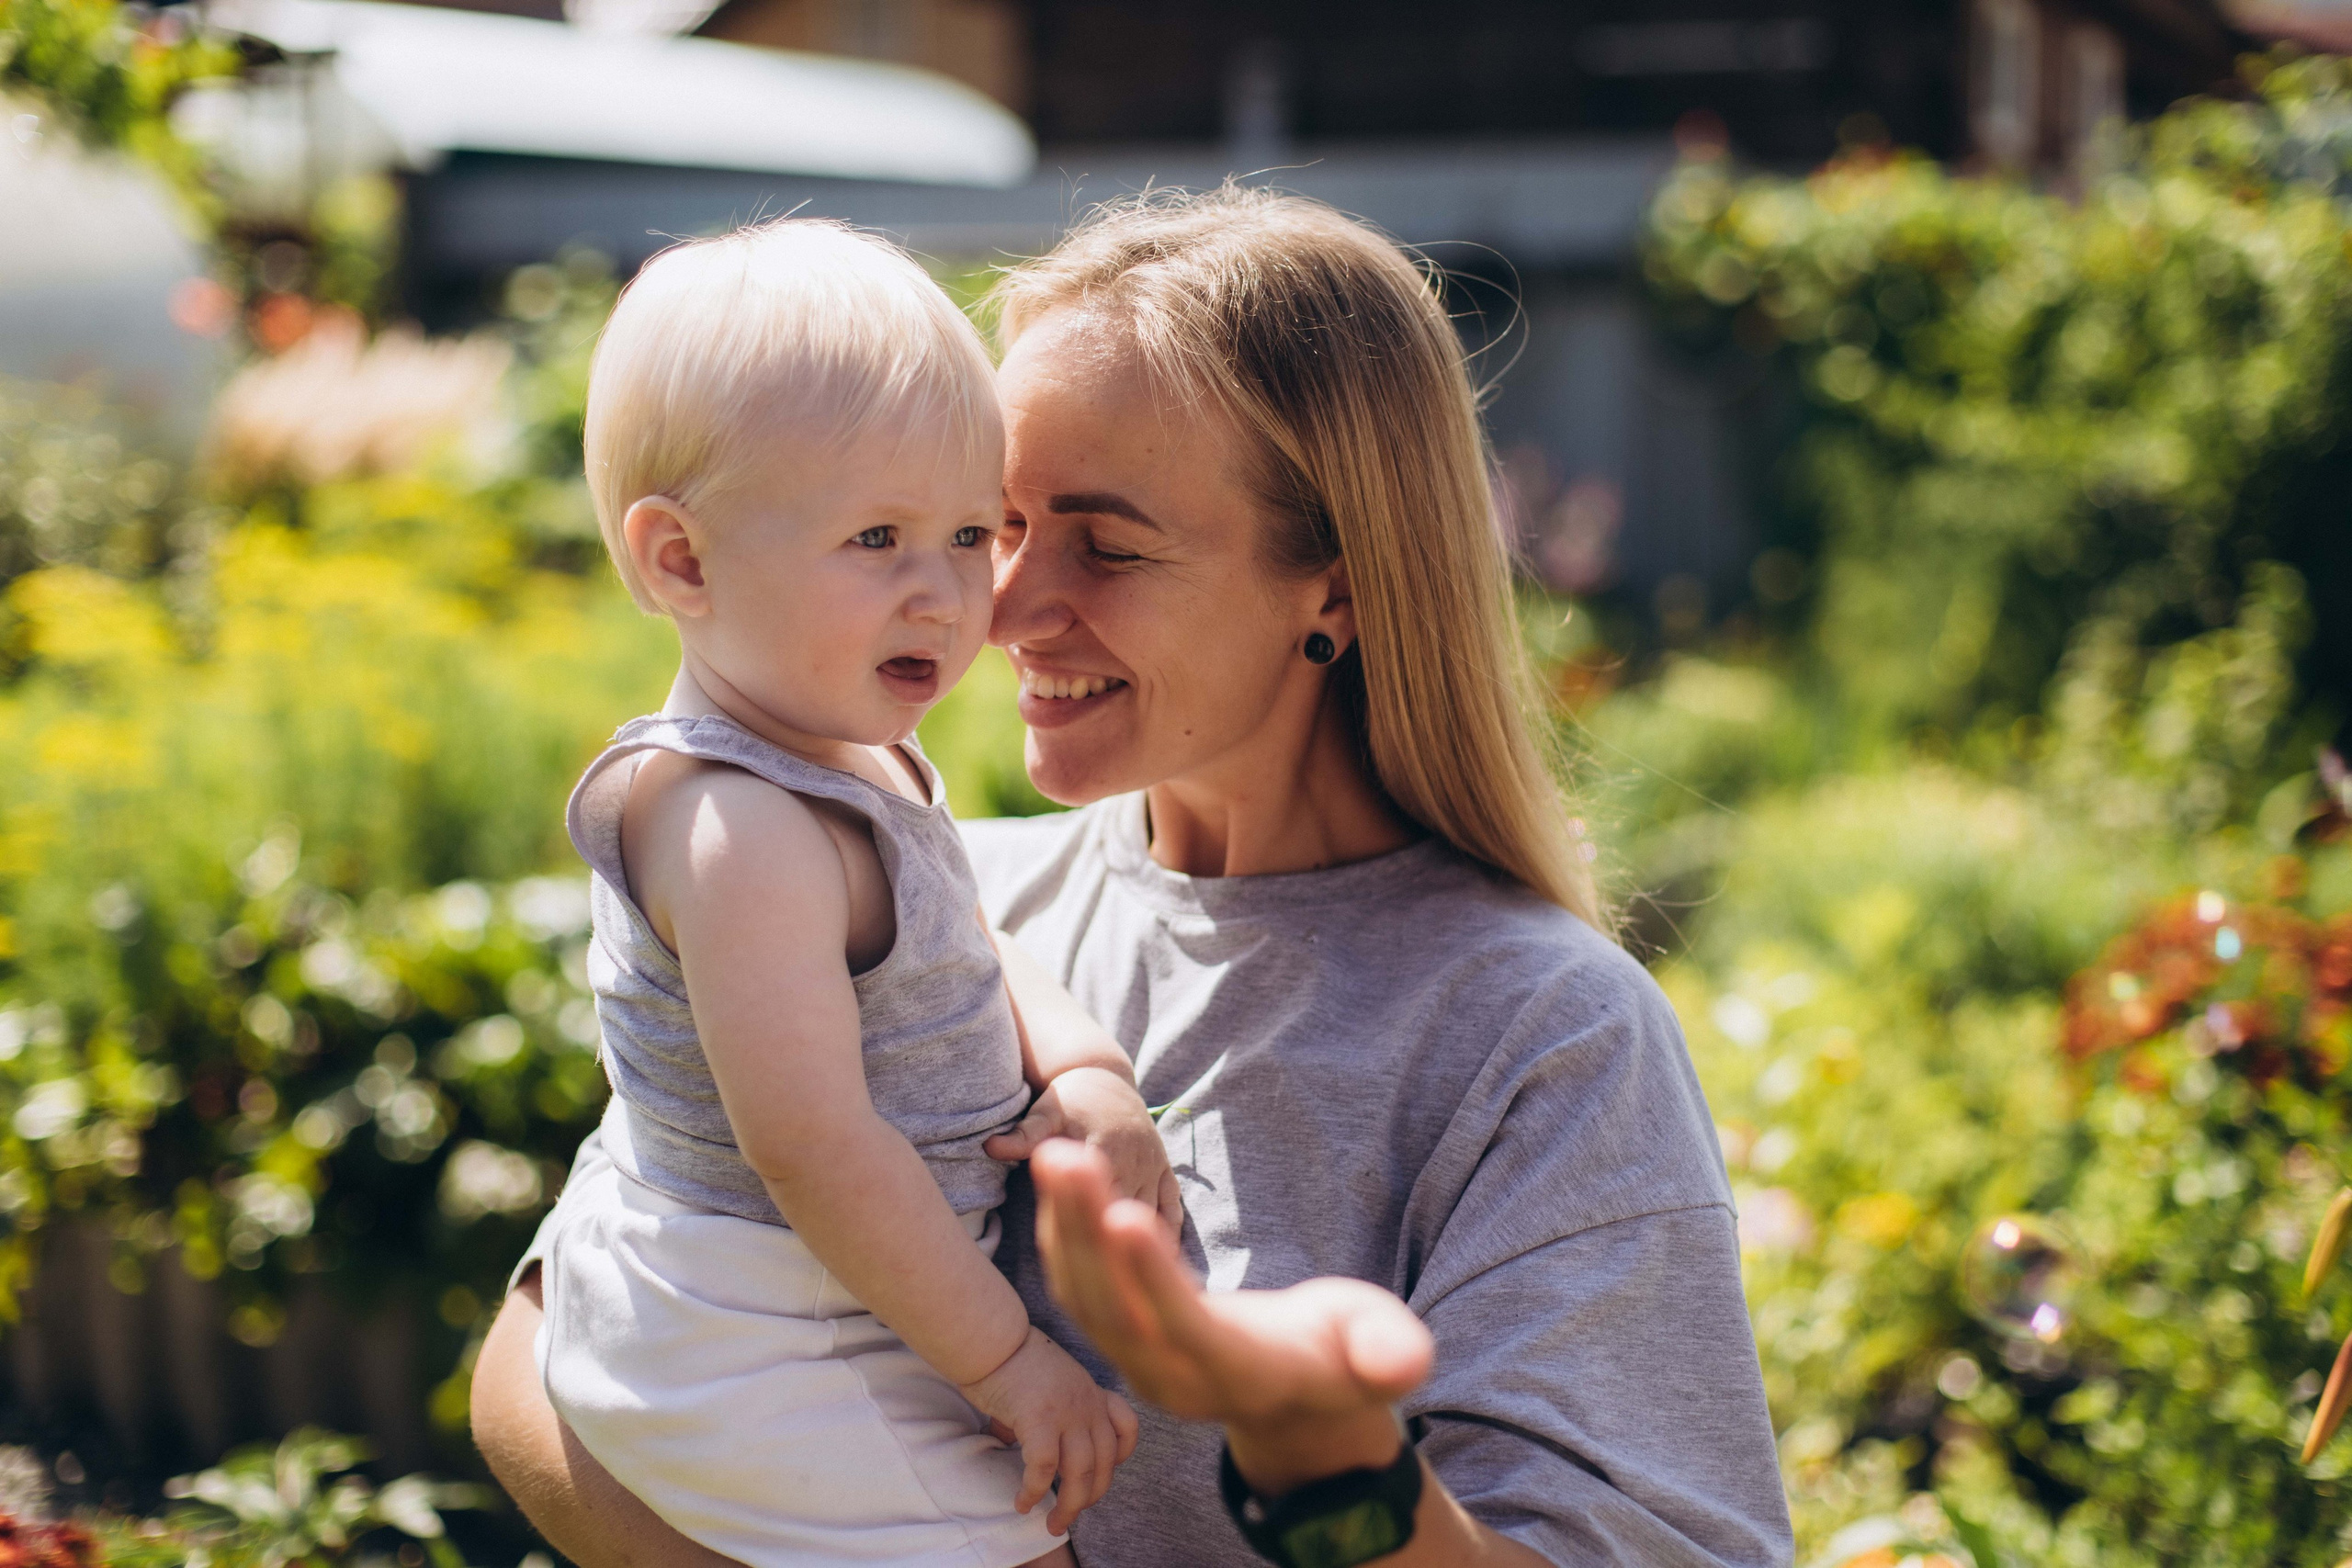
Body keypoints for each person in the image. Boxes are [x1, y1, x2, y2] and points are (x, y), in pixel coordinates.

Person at [475, 187, 1795, 1568]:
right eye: (1000, 525)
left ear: (1335, 591)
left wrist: (1325, 1463)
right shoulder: (919, 898)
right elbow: (547, 1339)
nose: (1001, 609)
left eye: (1107, 545)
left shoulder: (1542, 1041)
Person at [527, 217, 1182, 1568]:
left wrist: (1087, 1067)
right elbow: (812, 1146)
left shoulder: (837, 742)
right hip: (776, 1325)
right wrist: (1011, 1367)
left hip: (844, 1291)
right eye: (877, 536)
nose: (945, 596)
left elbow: (965, 937)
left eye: (964, 532)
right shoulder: (736, 827)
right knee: (1018, 1548)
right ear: (683, 563)